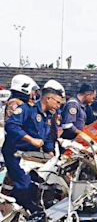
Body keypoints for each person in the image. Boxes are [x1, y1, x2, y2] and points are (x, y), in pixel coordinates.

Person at [2, 80, 64, 212]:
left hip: (31, 156)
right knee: (23, 184)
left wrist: (50, 152)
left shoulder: (48, 116)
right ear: (48, 99)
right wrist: (31, 140)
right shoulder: (27, 109)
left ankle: (28, 203)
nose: (58, 106)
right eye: (57, 102)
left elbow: (46, 138)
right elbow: (11, 125)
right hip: (15, 152)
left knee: (44, 180)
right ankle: (21, 209)